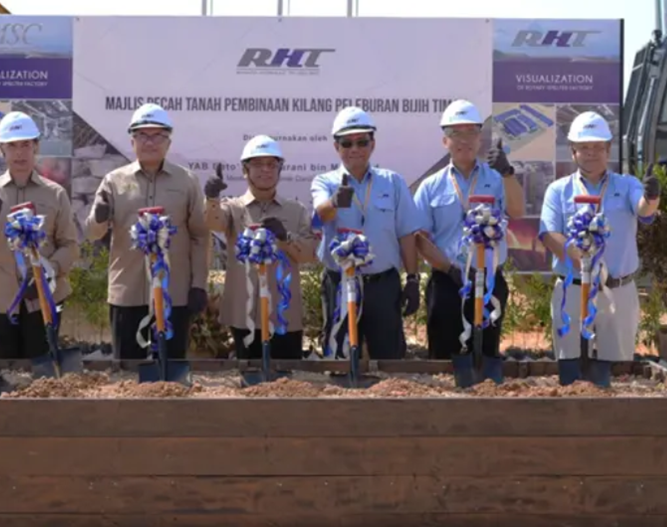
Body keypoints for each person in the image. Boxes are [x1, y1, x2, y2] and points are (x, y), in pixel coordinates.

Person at [538, 111, 660, 385]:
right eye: (584, 147)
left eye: (597, 146)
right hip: (571, 289)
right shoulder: (558, 190)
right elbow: (549, 234)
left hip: (617, 291)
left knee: (617, 373)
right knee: (571, 372)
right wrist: (584, 262)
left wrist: (652, 197)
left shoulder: (627, 185)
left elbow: (644, 210)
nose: (591, 153)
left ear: (608, 149)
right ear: (573, 151)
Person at [85, 103, 209, 360]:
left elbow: (200, 235)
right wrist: (99, 218)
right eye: (142, 135)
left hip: (174, 294)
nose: (150, 142)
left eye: (157, 135)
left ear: (168, 142)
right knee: (128, 371)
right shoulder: (114, 182)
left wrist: (198, 284)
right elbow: (93, 233)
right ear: (132, 141)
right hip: (128, 292)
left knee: (171, 369)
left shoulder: (187, 181)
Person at [412, 99, 525, 365]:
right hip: (447, 282)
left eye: (471, 132)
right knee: (443, 360)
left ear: (480, 138)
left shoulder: (497, 178)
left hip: (489, 280)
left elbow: (517, 211)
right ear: (445, 141)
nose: (464, 140)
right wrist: (450, 270)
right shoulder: (431, 186)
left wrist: (508, 173)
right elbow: (419, 239)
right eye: (456, 133)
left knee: (486, 357)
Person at [0, 111, 79, 360]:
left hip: (46, 296)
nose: (19, 153)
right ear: (2, 149)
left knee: (43, 371)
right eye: (12, 146)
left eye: (25, 144)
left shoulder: (55, 193)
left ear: (36, 147)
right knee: (6, 369)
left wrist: (48, 272)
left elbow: (70, 245)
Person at [310, 106, 424, 360]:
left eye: (362, 142)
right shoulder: (324, 182)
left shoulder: (393, 182)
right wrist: (334, 202)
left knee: (388, 359)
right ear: (336, 146)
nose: (355, 149)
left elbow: (406, 234)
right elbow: (320, 216)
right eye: (347, 143)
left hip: (382, 285)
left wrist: (412, 280)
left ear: (373, 144)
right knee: (339, 359)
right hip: (340, 282)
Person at [204, 135, 317, 359]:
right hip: (243, 315)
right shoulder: (233, 208)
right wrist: (212, 198)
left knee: (286, 376)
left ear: (280, 169)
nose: (265, 170)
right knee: (248, 375)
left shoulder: (296, 211)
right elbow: (212, 223)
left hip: (284, 316)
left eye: (271, 164)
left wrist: (286, 238)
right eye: (257, 164)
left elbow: (310, 255)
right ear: (244, 170)